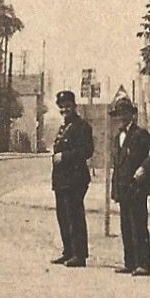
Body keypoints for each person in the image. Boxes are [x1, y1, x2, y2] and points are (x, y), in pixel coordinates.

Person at [110, 97, 150, 276]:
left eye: (125, 113)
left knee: (138, 225)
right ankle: (130, 262)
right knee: (125, 225)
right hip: (123, 187)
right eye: (119, 114)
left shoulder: (140, 134)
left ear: (132, 115)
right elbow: (118, 165)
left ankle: (143, 264)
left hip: (137, 187)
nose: (121, 117)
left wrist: (144, 168)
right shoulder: (117, 137)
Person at [50, 90, 94, 267]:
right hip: (62, 180)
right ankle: (68, 251)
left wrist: (65, 156)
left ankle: (79, 254)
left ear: (74, 106)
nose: (64, 110)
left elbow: (87, 150)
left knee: (74, 215)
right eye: (61, 107)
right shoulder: (64, 127)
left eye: (67, 106)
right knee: (63, 216)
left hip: (75, 178)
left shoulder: (81, 126)